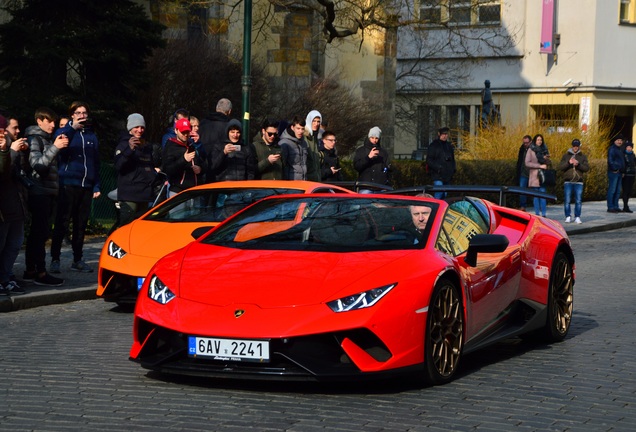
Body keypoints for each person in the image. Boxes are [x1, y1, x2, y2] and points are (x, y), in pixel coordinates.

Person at [50, 101, 101, 274]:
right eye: (78, 113)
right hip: (68, 185)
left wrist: (96, 185)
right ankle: (55, 259)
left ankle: (77, 259)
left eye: (84, 113)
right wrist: (73, 129)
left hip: (86, 186)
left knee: (81, 225)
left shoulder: (92, 136)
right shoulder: (64, 132)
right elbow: (60, 153)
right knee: (62, 223)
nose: (81, 116)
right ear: (72, 115)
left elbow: (96, 162)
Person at [23, 107, 68, 285]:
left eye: (54, 122)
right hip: (38, 192)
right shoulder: (35, 139)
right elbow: (38, 165)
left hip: (47, 192)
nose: (52, 125)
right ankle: (40, 273)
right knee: (39, 233)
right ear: (39, 120)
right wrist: (55, 148)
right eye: (49, 121)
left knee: (38, 233)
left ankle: (31, 270)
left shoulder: (47, 139)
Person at [0, 115, 29, 295]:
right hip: (3, 205)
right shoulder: (6, 147)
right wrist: (9, 151)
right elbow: (3, 173)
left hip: (16, 203)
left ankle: (5, 277)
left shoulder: (12, 147)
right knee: (2, 244)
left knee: (15, 243)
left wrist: (21, 153)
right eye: (14, 128)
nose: (17, 132)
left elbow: (22, 173)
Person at [113, 113, 158, 227]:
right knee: (125, 228)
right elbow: (119, 166)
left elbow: (149, 167)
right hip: (129, 195)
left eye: (142, 127)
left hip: (145, 195)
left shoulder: (146, 146)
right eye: (136, 127)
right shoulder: (123, 145)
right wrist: (130, 150)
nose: (140, 130)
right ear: (130, 128)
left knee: (140, 230)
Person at [161, 118, 204, 196]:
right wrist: (184, 159)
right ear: (176, 131)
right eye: (183, 132)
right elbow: (167, 169)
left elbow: (205, 163)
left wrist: (200, 168)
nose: (185, 134)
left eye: (187, 132)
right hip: (178, 192)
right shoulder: (171, 146)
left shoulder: (192, 145)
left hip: (195, 191)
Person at [199, 98, 232, 183]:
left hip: (202, 167)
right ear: (229, 111)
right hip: (221, 171)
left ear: (216, 109)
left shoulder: (203, 124)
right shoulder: (228, 127)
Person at [558, 138, 589, 224]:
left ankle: (577, 217)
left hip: (579, 181)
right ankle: (568, 216)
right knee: (567, 200)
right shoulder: (566, 156)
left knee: (578, 200)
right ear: (572, 146)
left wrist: (578, 164)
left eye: (577, 146)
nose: (575, 147)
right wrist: (569, 162)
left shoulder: (583, 156)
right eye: (574, 146)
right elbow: (560, 167)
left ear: (579, 146)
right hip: (568, 181)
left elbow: (586, 168)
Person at [353, 127, 391, 192]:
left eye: (376, 138)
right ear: (368, 137)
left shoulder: (383, 153)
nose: (374, 140)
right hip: (365, 186)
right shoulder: (361, 151)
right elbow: (357, 166)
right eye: (372, 138)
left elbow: (387, 168)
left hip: (380, 187)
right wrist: (368, 157)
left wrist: (385, 172)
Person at [426, 127, 456, 199]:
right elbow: (429, 160)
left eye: (446, 134)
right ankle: (436, 208)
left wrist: (453, 169)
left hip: (447, 174)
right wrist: (438, 168)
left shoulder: (449, 146)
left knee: (444, 194)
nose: (445, 136)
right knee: (439, 192)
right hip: (437, 174)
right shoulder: (434, 146)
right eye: (443, 134)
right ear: (439, 134)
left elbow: (452, 159)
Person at [525, 134, 550, 217]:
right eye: (538, 140)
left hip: (543, 176)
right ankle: (537, 214)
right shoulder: (531, 150)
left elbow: (548, 163)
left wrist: (546, 159)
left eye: (541, 140)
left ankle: (543, 214)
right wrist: (539, 166)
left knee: (543, 195)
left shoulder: (545, 149)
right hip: (535, 176)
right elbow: (527, 163)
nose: (539, 141)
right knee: (536, 196)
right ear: (535, 140)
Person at [607, 134, 625, 213]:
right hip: (613, 172)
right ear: (615, 141)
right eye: (618, 140)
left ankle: (616, 206)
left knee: (618, 191)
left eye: (621, 140)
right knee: (612, 190)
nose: (619, 142)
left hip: (620, 172)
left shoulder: (620, 149)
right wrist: (615, 168)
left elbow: (622, 161)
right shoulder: (612, 149)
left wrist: (622, 170)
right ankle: (610, 207)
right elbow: (610, 161)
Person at [304, 110, 323, 182]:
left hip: (316, 179)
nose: (316, 124)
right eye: (314, 121)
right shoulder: (304, 137)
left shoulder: (315, 137)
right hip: (308, 179)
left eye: (318, 121)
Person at [515, 135, 532, 211]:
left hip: (532, 172)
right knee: (522, 190)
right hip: (523, 172)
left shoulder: (534, 149)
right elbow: (520, 160)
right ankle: (523, 206)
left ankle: (537, 205)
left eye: (527, 143)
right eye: (524, 142)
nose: (525, 144)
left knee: (535, 190)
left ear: (530, 142)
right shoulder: (522, 148)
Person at [622, 140, 636, 213]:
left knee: (629, 191)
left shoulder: (633, 155)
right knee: (626, 190)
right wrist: (623, 172)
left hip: (632, 174)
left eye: (630, 147)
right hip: (626, 174)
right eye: (628, 147)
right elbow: (623, 164)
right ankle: (625, 206)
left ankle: (626, 205)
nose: (629, 148)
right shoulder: (624, 155)